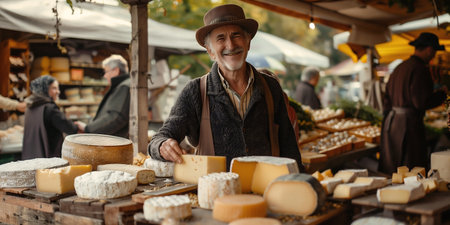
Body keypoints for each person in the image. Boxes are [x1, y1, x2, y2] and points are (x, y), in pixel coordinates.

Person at [148, 4, 303, 170]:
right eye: (220, 39)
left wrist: (298, 179)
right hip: (216, 193)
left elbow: (288, 146)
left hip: (266, 191)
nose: (230, 45)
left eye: (236, 36)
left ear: (248, 42)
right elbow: (161, 137)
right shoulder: (195, 91)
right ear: (210, 51)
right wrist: (162, 145)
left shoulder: (270, 86)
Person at [379, 32, 446, 173]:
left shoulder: (400, 67)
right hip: (408, 126)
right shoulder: (420, 69)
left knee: (393, 168)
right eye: (434, 52)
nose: (433, 56)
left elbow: (386, 99)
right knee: (411, 170)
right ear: (429, 50)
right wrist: (442, 94)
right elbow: (420, 102)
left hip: (391, 124)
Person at [22, 75, 80, 159]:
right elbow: (70, 128)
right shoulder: (50, 108)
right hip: (48, 158)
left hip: (30, 156)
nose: (58, 92)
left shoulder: (30, 106)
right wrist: (77, 126)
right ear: (44, 89)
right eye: (54, 88)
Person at [77, 54, 130, 138]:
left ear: (116, 70)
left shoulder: (124, 87)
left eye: (106, 71)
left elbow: (116, 118)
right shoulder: (121, 86)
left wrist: (88, 128)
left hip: (114, 144)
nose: (105, 76)